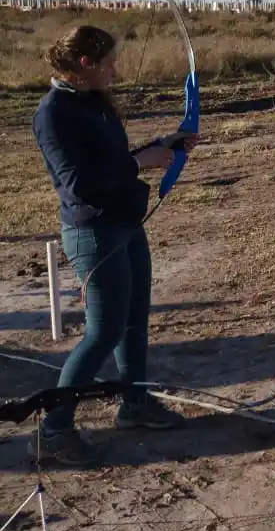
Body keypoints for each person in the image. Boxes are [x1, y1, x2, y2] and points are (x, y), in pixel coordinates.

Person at [29, 25, 196, 466]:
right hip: (93, 232)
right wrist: (140, 161)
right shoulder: (54, 112)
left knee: (132, 321)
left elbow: (110, 164)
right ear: (85, 65)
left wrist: (162, 146)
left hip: (125, 224)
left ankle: (135, 405)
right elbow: (78, 183)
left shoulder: (92, 103)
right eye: (108, 65)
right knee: (102, 331)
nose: (115, 72)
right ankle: (54, 430)